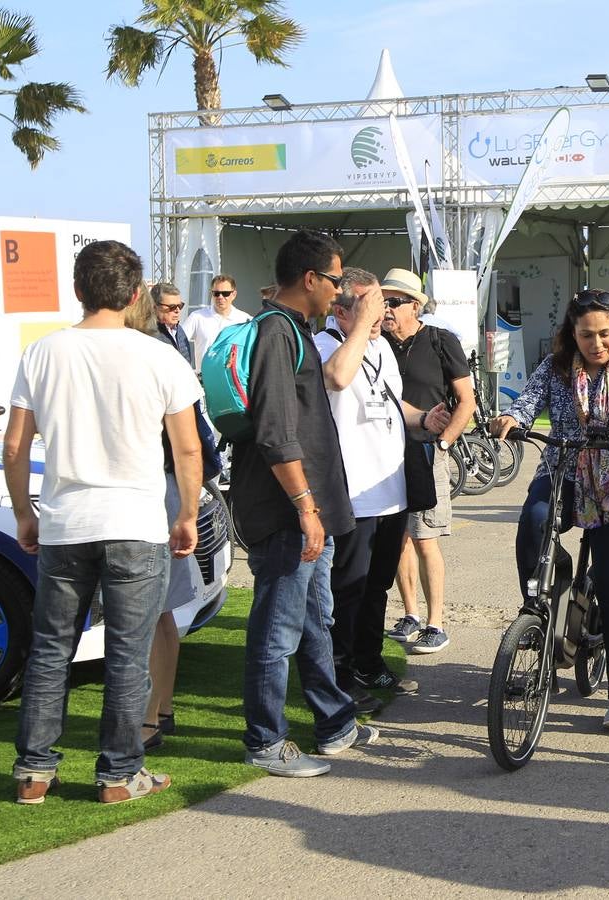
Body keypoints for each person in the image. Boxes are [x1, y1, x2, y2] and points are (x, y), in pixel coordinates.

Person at [4, 240, 202, 805]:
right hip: (136, 521)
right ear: (136, 294)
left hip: (67, 520)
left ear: (77, 288)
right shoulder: (160, 355)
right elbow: (187, 450)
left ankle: (34, 772)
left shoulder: (43, 353)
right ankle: (118, 774)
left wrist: (25, 512)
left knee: (50, 650)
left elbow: (15, 445)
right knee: (127, 652)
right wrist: (186, 512)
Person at [229, 229, 379, 777]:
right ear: (311, 279)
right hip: (286, 510)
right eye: (336, 280)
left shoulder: (293, 329)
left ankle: (335, 723)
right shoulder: (275, 330)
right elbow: (274, 431)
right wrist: (305, 508)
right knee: (277, 627)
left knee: (317, 618)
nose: (341, 291)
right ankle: (265, 740)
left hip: (305, 506)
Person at [491, 289, 609, 730]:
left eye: (605, 334)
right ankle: (544, 605)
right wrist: (511, 419)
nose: (597, 343)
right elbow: (525, 404)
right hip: (562, 470)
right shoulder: (556, 368)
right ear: (572, 334)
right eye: (587, 335)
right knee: (534, 521)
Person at [315, 268, 450, 704]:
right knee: (347, 591)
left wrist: (423, 418)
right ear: (340, 310)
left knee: (376, 589)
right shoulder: (325, 345)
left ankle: (369, 666)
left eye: (386, 304)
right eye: (372, 304)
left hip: (391, 491)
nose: (383, 312)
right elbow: (336, 378)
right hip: (352, 495)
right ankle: (340, 679)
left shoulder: (380, 349)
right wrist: (358, 329)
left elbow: (393, 402)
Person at [133, 284, 224, 750]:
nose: (175, 314)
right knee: (161, 613)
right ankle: (157, 713)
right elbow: (195, 440)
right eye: (168, 307)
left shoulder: (161, 350)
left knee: (153, 616)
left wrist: (189, 504)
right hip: (162, 490)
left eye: (177, 308)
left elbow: (193, 439)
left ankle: (151, 718)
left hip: (156, 490)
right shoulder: (163, 350)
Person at [380, 268, 476, 655]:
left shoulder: (440, 340)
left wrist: (444, 443)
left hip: (425, 450)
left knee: (425, 538)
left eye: (394, 302)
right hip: (384, 455)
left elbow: (465, 400)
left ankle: (436, 622)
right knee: (397, 537)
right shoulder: (379, 343)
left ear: (415, 306)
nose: (386, 308)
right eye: (383, 301)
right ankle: (410, 614)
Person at [183, 273, 252, 375]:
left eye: (225, 293)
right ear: (212, 294)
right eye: (216, 293)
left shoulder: (246, 320)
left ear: (234, 294)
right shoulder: (197, 317)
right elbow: (179, 343)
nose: (220, 297)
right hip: (205, 381)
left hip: (233, 382)